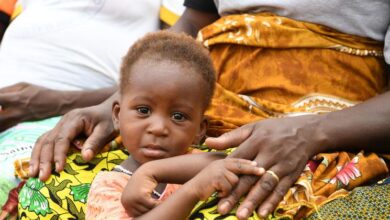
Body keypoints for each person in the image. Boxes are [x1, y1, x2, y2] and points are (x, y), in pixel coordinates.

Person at [25, 0, 390, 219]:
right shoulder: (167, 124)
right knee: (37, 186)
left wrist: (311, 132)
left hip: (330, 125)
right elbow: (191, 27)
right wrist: (115, 106)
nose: (155, 127)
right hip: (209, 108)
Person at [0, 0, 162, 214]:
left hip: (79, 118)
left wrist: (55, 102)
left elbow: (172, 79)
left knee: (23, 176)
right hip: (10, 113)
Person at [86, 31, 264, 219]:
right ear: (117, 115)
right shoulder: (109, 187)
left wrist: (152, 171)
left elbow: (226, 162)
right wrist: (193, 190)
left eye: (178, 116)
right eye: (144, 110)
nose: (158, 128)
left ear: (200, 130)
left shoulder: (196, 160)